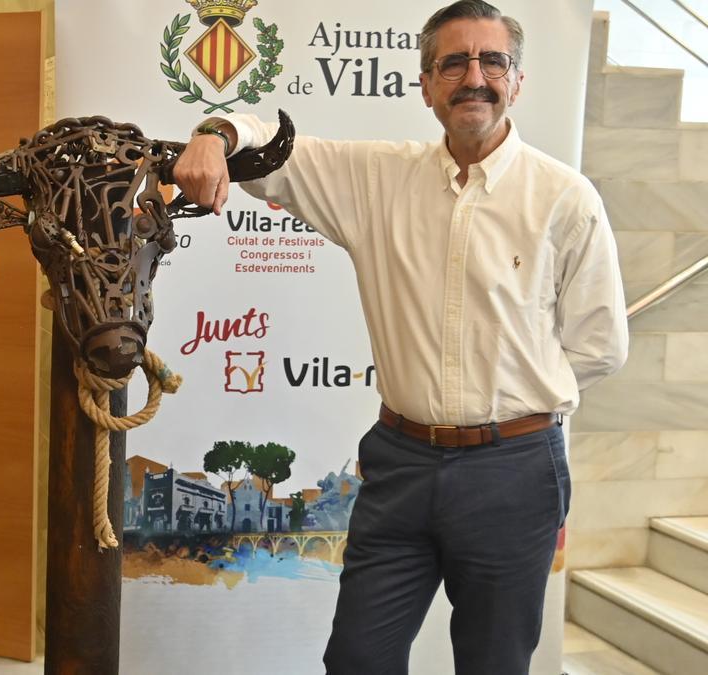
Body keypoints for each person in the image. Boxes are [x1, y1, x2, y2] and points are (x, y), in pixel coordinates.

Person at [173, 2, 628, 673]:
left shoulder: (565, 198)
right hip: (401, 464)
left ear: (517, 81)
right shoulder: (377, 178)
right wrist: (213, 131)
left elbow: (600, 346)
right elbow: (269, 149)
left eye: (493, 60)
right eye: (454, 62)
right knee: (358, 657)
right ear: (425, 85)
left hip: (514, 470)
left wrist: (511, 397)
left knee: (494, 663)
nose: (474, 76)